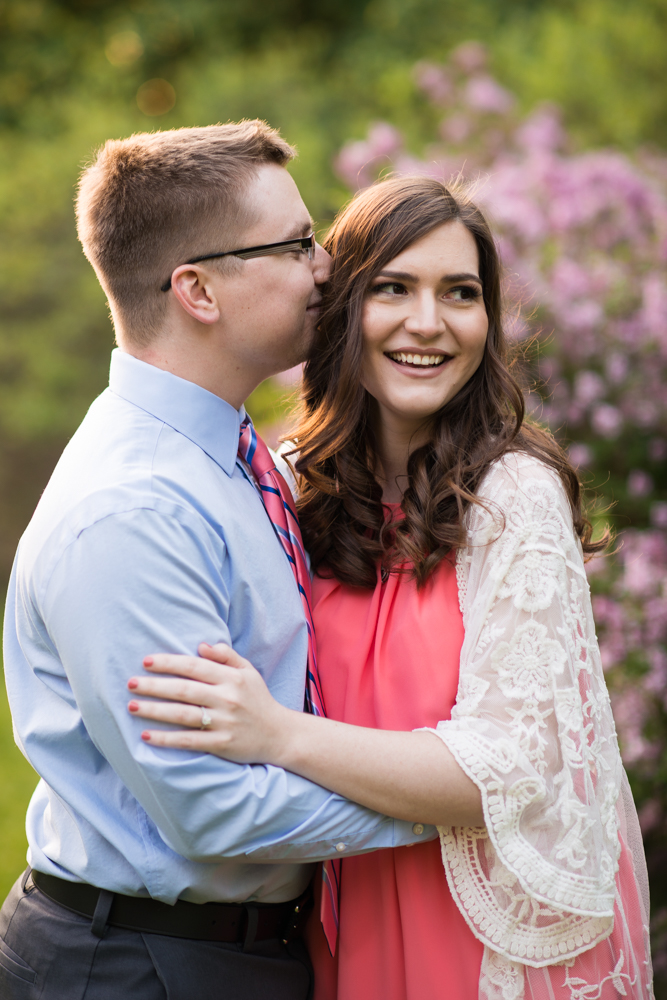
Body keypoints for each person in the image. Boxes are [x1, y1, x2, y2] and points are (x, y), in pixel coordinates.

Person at [127, 176, 654, 999]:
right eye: (392, 289)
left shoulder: (510, 495)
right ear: (342, 310)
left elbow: (506, 771)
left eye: (460, 294)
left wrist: (276, 735)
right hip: (341, 916)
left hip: (483, 933)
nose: (427, 323)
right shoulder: (291, 485)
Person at [0, 124, 435, 1000]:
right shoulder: (133, 514)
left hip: (229, 950)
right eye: (297, 244)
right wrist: (455, 803)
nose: (327, 268)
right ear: (196, 289)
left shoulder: (232, 455)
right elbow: (212, 811)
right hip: (139, 966)